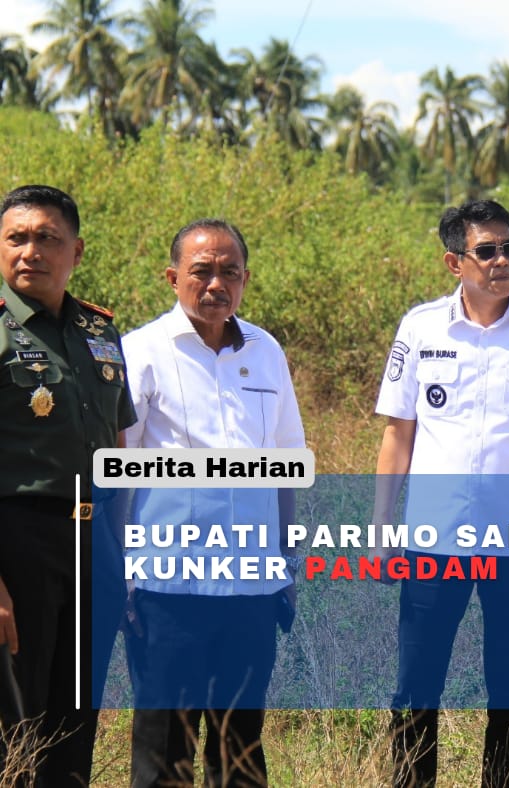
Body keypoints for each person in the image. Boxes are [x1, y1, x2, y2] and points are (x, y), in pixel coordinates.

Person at [371, 199, 509, 787]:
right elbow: (397, 435)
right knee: (417, 682)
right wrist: (382, 525)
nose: (502, 260)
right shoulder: (420, 328)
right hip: (433, 538)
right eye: (487, 250)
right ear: (455, 262)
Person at [120, 218, 306, 787]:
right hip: (165, 588)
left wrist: (286, 561)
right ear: (173, 277)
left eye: (230, 272)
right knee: (164, 754)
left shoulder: (267, 352)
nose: (216, 284)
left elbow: (285, 464)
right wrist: (120, 572)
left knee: (240, 752)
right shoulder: (141, 352)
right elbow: (117, 473)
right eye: (201, 271)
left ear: (245, 279)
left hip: (250, 589)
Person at [0, 185, 135, 785]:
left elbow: (117, 445)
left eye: (47, 238)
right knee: (14, 722)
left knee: (76, 718)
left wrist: (120, 553)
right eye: (16, 238)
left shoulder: (99, 330)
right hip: (17, 541)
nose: (31, 251)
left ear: (75, 251)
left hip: (94, 541)